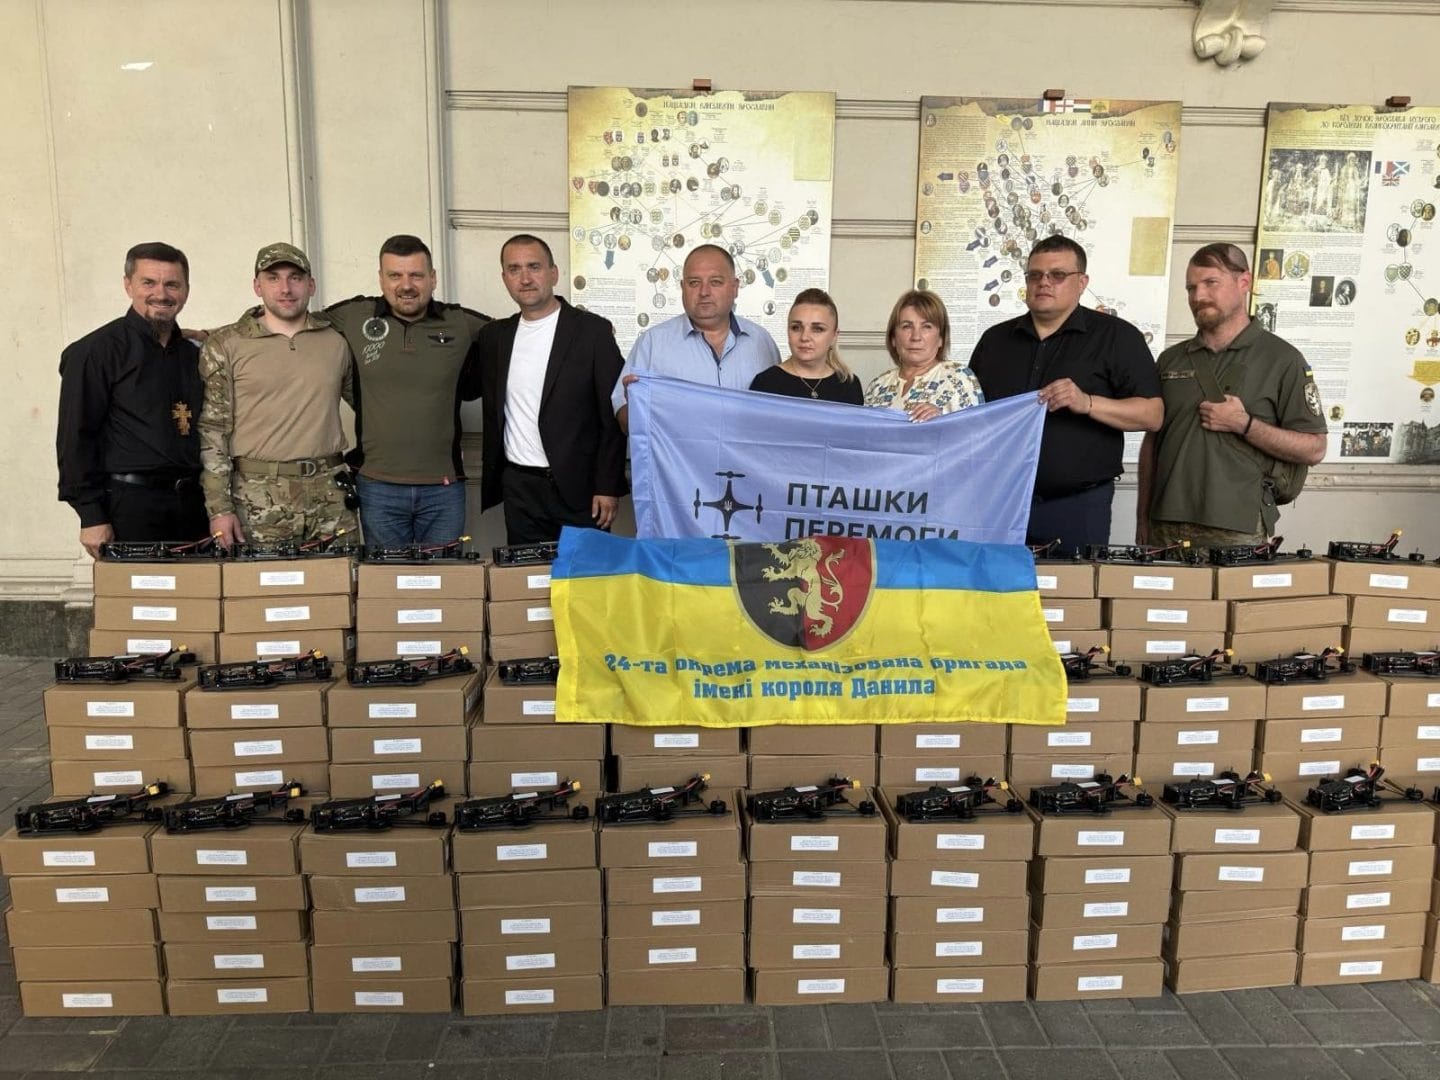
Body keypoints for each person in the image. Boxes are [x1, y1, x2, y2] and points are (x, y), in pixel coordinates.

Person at [969, 236, 1161, 552]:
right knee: (995, 596)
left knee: (1073, 599)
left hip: (1078, 505)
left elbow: (1152, 414)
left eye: (1057, 275)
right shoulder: (995, 341)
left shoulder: (1117, 337)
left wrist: (1087, 403)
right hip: (999, 502)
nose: (1044, 282)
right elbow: (972, 415)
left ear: (1082, 282)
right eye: (1035, 275)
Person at [1138, 244, 1327, 547]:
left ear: (1244, 283)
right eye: (1191, 287)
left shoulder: (1283, 360)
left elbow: (1314, 449)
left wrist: (1245, 424)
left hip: (1238, 528)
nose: (1198, 296)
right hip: (1165, 526)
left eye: (1211, 283)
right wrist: (1142, 518)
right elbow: (1152, 444)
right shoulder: (1170, 360)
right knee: (1164, 597)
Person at [325, 235, 490, 546]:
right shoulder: (353, 315)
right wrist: (213, 334)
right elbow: (290, 320)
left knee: (445, 587)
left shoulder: (460, 322)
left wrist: (585, 328)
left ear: (433, 278)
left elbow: (523, 331)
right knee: (387, 590)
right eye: (395, 275)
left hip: (444, 489)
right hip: (377, 487)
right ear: (381, 279)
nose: (406, 285)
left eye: (416, 275)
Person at [198, 243, 356, 548]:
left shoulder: (336, 342)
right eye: (273, 278)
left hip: (331, 497)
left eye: (295, 277)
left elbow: (372, 407)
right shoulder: (226, 345)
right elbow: (212, 431)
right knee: (268, 591)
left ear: (311, 285)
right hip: (258, 500)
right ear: (257, 286)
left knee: (337, 590)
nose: (285, 288)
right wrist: (219, 508)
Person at [57, 242, 208, 558]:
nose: (162, 294)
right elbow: (76, 438)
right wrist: (91, 515)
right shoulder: (95, 353)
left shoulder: (196, 353)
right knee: (143, 605)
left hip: (195, 507)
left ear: (186, 289)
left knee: (196, 605)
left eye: (172, 284)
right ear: (128, 285)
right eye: (148, 282)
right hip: (130, 508)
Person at [475, 234, 627, 545]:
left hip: (582, 491)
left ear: (553, 273)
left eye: (534, 267)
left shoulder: (592, 332)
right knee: (526, 587)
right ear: (504, 278)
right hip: (520, 488)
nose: (525, 278)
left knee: (585, 584)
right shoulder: (493, 338)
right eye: (514, 269)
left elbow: (611, 415)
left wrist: (608, 485)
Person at [612, 244, 780, 432]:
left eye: (715, 282)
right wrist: (634, 410)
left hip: (745, 461)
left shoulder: (762, 341)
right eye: (694, 283)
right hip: (676, 462)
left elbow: (780, 415)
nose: (704, 292)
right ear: (683, 287)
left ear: (735, 287)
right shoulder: (652, 343)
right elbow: (625, 419)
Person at [863, 290, 983, 421]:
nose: (916, 337)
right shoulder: (878, 385)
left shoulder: (959, 378)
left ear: (941, 338)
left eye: (926, 327)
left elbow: (978, 433)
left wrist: (941, 421)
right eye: (906, 326)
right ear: (893, 338)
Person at [749, 289, 862, 404]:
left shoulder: (849, 385)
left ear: (834, 336)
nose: (804, 337)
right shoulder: (765, 383)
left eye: (817, 329)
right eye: (796, 328)